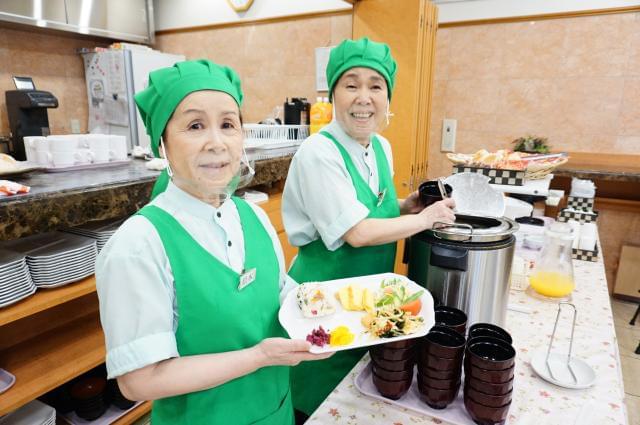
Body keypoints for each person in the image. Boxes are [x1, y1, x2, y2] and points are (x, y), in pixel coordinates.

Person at [95, 59, 330, 425]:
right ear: (163, 143)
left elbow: (280, 290)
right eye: (194, 125)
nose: (217, 143)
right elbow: (138, 381)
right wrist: (259, 357)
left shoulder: (253, 216)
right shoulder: (140, 245)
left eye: (228, 125)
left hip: (276, 412)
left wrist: (325, 310)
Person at [282, 37, 456, 417]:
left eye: (376, 86)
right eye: (351, 84)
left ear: (388, 98)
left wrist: (405, 206)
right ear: (333, 95)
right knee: (318, 401)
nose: (364, 97)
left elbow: (370, 209)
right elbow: (357, 232)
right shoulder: (319, 153)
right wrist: (424, 219)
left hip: (366, 304)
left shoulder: (380, 147)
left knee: (356, 398)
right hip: (323, 303)